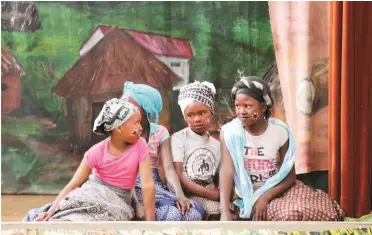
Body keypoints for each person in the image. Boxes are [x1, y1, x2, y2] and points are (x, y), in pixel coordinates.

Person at [219, 76, 345, 221]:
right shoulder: (230, 133)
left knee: (318, 210)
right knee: (288, 215)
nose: (241, 111)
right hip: (248, 196)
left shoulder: (279, 132)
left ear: (263, 106)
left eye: (247, 106)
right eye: (237, 106)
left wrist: (266, 197)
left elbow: (290, 176)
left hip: (277, 190)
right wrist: (225, 211)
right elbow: (226, 171)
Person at [25, 98, 155, 221]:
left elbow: (147, 186)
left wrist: (151, 225)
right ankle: (59, 222)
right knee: (70, 205)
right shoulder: (95, 152)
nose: (140, 128)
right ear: (118, 127)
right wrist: (52, 211)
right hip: (93, 191)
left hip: (119, 199)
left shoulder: (140, 146)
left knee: (111, 215)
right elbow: (73, 185)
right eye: (136, 123)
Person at [122, 81, 205, 221]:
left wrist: (180, 194)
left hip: (155, 185)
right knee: (171, 215)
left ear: (146, 109)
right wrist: (136, 204)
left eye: (131, 106)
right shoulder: (124, 132)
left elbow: (168, 169)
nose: (125, 110)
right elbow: (124, 172)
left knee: (193, 212)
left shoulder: (160, 132)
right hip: (131, 187)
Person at [171, 81, 221, 220]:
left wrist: (222, 193)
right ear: (184, 117)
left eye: (201, 113)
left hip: (211, 191)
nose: (197, 119)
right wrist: (211, 194)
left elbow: (219, 176)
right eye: (190, 115)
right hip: (189, 194)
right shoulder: (179, 138)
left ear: (210, 112)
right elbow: (178, 175)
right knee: (215, 210)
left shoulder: (217, 145)